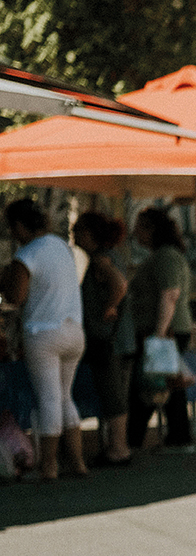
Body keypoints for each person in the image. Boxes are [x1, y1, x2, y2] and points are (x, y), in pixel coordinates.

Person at [3, 199, 87, 480]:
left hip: (43, 333)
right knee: (65, 397)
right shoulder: (62, 246)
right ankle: (77, 463)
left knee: (48, 399)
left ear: (18, 226)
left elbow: (15, 297)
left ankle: (48, 466)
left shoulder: (27, 254)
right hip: (74, 330)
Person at [125, 207, 196, 455]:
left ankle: (136, 438)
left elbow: (170, 294)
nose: (134, 233)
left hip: (166, 330)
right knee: (165, 384)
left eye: (138, 227)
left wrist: (159, 333)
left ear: (151, 229)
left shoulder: (165, 256)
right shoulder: (163, 255)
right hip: (167, 329)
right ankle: (177, 436)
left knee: (154, 385)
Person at [73, 212, 134, 467]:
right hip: (121, 339)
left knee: (113, 396)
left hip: (108, 340)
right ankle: (118, 446)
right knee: (118, 394)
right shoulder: (112, 255)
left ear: (89, 234)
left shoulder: (101, 259)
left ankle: (117, 448)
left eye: (78, 232)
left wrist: (110, 306)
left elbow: (119, 285)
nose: (74, 236)